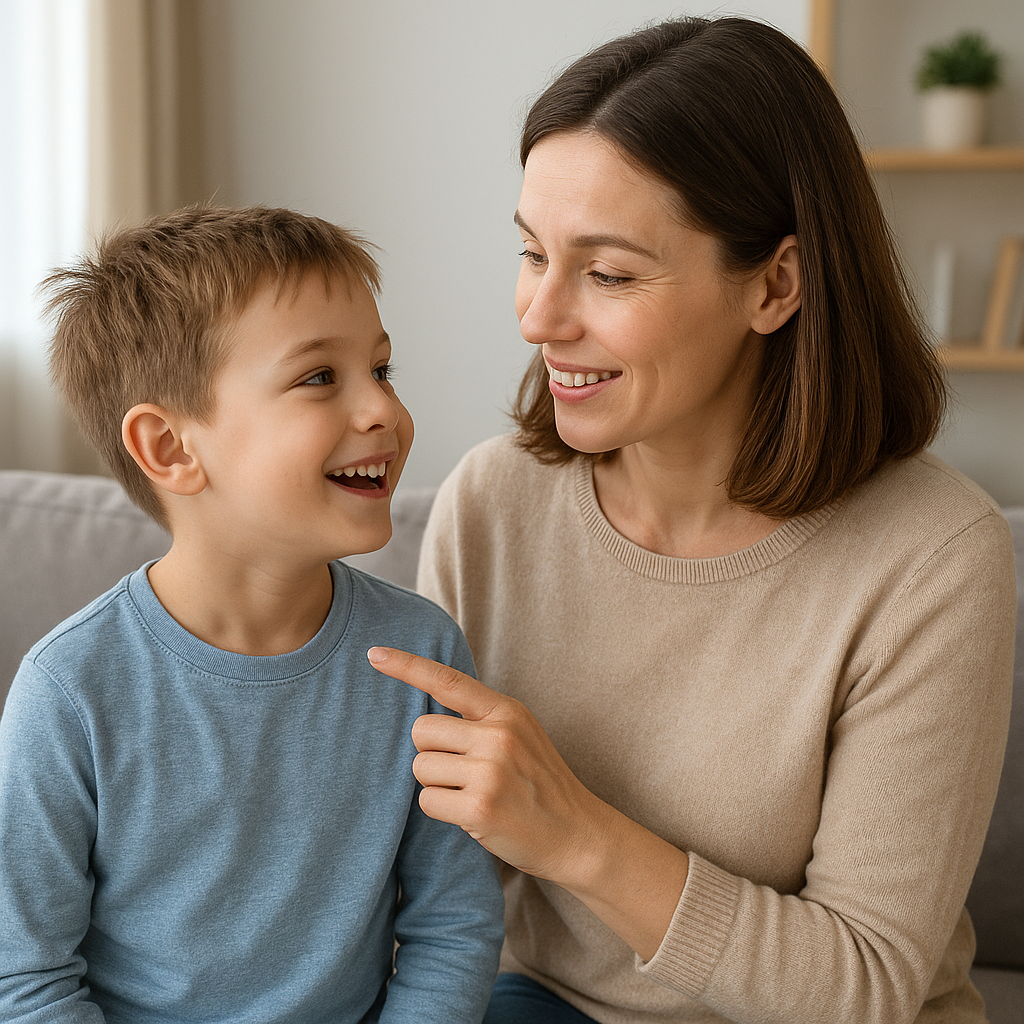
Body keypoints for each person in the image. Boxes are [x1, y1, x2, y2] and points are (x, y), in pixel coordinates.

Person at [366, 16, 1016, 1024]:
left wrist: (575, 834)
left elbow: (865, 984)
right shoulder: (493, 502)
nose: (538, 317)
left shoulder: (933, 554)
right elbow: (435, 890)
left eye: (609, 273)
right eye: (532, 253)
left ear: (775, 284)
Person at [0, 206, 503, 1023]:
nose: (382, 408)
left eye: (382, 369)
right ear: (170, 448)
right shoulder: (70, 689)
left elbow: (453, 925)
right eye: (320, 377)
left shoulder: (422, 653)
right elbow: (26, 980)